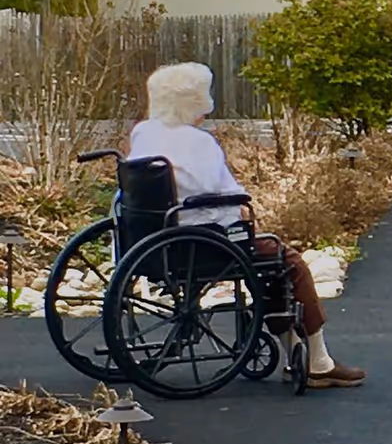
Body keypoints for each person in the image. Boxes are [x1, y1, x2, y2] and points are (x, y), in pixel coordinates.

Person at [128, 62, 367, 388]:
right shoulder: (197, 142)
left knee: (266, 262)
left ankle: (295, 349)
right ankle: (319, 360)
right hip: (203, 242)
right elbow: (218, 195)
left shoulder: (144, 133)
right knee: (288, 264)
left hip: (155, 240)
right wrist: (239, 210)